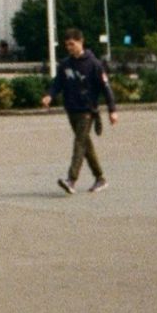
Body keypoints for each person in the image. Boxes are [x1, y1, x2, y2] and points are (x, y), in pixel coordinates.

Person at [42, 28, 118, 194]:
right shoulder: (65, 64)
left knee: (79, 144)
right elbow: (57, 83)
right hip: (72, 110)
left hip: (87, 110)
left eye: (72, 44)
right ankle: (100, 178)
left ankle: (71, 180)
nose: (69, 47)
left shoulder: (94, 64)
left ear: (80, 42)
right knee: (86, 145)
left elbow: (106, 87)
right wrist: (49, 95)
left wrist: (112, 110)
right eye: (67, 45)